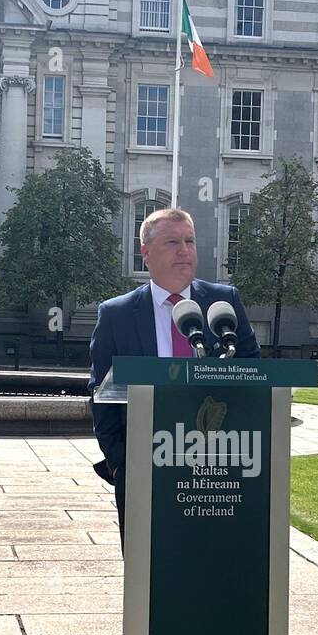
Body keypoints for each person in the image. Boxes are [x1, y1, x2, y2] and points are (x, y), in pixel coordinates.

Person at [88, 207, 262, 544]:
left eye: (190, 241)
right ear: (146, 253)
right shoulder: (116, 314)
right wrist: (121, 462)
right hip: (144, 469)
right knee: (149, 572)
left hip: (221, 469)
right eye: (172, 242)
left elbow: (254, 373)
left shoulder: (224, 303)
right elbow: (99, 393)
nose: (184, 250)